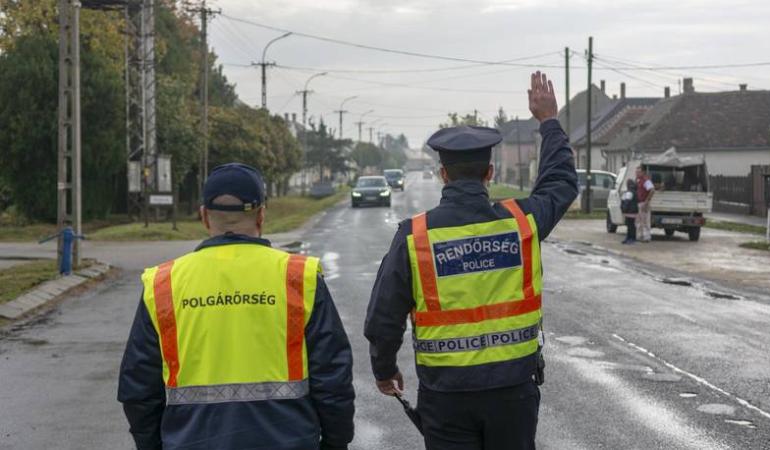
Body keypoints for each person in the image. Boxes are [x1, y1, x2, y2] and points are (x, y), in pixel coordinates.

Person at [363, 72, 578, 450]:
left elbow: (384, 316)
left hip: (446, 397)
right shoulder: (521, 223)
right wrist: (549, 123)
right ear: (490, 173)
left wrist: (384, 370)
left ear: (443, 174)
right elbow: (560, 182)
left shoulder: (415, 236)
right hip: (513, 393)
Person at [117, 163, 355, 450]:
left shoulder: (164, 284)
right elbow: (332, 378)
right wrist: (335, 442)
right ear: (262, 215)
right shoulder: (298, 278)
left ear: (204, 216)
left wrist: (153, 445)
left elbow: (139, 388)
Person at [635, 165, 655, 242]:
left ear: (643, 172)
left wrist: (646, 202)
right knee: (638, 221)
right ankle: (640, 236)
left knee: (645, 221)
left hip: (644, 203)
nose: (637, 173)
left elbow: (652, 190)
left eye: (638, 172)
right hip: (639, 203)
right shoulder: (638, 180)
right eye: (636, 172)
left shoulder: (646, 180)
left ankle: (647, 237)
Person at [621, 179, 638, 244]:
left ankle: (631, 238)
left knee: (630, 225)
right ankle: (629, 238)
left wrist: (624, 209)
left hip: (630, 211)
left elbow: (627, 202)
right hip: (633, 211)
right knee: (630, 225)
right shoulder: (633, 191)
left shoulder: (629, 192)